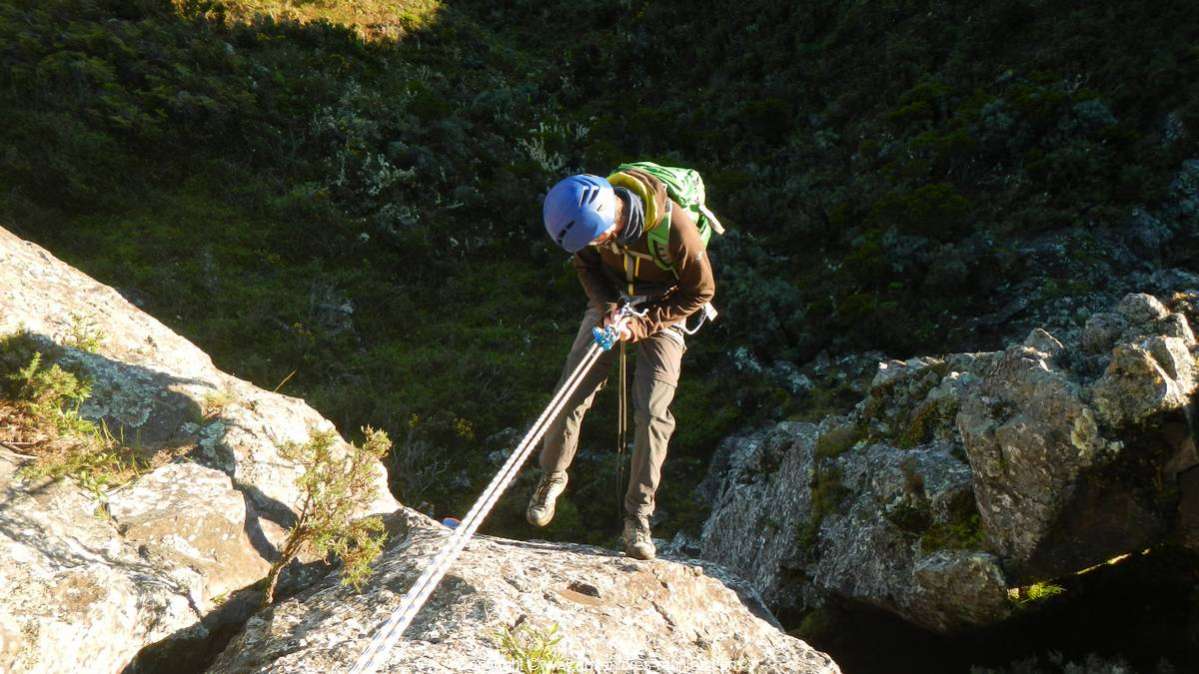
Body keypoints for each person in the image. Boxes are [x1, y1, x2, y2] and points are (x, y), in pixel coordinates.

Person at [528, 168, 716, 560]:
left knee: (652, 412)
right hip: (615, 302)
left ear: (611, 217)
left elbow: (700, 290)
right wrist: (609, 309)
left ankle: (638, 517)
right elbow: (586, 267)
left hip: (664, 307)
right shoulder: (584, 227)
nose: (592, 245)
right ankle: (552, 477)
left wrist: (643, 324)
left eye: (596, 237)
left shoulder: (674, 228)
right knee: (572, 390)